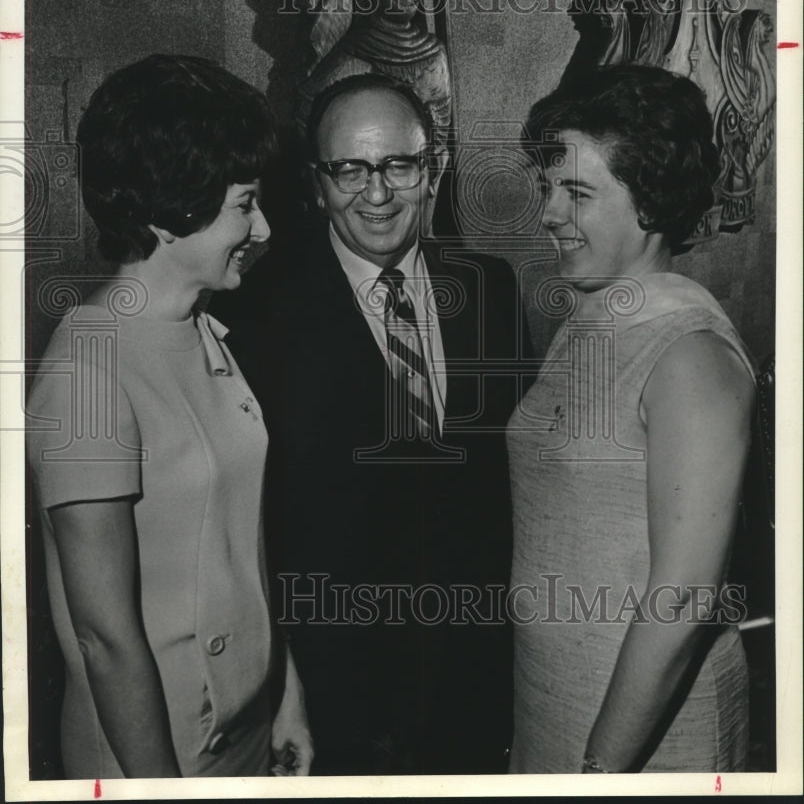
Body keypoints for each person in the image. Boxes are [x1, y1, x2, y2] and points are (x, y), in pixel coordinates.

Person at [214, 72, 533, 775]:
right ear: (316, 183)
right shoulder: (254, 314)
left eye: (399, 164)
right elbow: (246, 529)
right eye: (350, 169)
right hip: (332, 703)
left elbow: (507, 493)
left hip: (479, 691)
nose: (379, 193)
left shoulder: (491, 291)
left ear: (434, 167)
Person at [26, 55, 313, 779]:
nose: (265, 226)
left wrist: (287, 693)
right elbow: (102, 638)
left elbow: (239, 543)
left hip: (249, 729)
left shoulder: (204, 328)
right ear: (170, 209)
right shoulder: (86, 371)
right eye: (245, 204)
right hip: (156, 753)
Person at [508, 63, 755, 773]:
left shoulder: (689, 355)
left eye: (578, 192)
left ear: (649, 201)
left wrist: (601, 769)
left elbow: (681, 600)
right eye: (548, 188)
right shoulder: (589, 318)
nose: (550, 212)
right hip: (557, 700)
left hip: (643, 737)